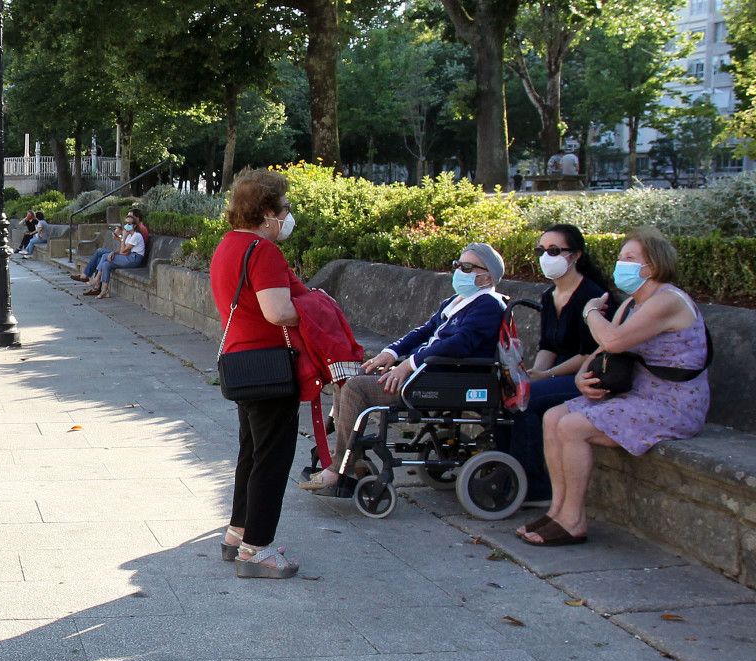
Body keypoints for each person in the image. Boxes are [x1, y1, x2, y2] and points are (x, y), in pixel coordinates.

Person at [522, 229, 710, 546]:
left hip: (672, 405)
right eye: (620, 257)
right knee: (553, 417)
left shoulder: (667, 300)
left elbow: (612, 339)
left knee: (572, 426)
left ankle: (573, 519)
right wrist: (582, 377)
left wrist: (590, 311)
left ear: (652, 266)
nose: (621, 263)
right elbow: (600, 354)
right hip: (638, 396)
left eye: (630, 258)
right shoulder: (633, 305)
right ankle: (556, 511)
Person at [301, 243, 507, 494]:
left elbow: (459, 344)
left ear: (487, 276)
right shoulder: (458, 301)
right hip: (428, 373)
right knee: (347, 375)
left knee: (356, 387)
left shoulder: (488, 305)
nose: (458, 271)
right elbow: (423, 331)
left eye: (466, 267)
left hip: (443, 379)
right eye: (457, 265)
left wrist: (408, 365)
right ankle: (349, 457)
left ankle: (339, 467)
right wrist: (391, 352)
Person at [211, 168, 303, 579]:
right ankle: (257, 548)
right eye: (283, 209)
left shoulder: (228, 245)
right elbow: (277, 311)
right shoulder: (263, 252)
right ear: (266, 212)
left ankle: (238, 532)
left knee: (251, 453)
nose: (287, 216)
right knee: (272, 458)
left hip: (240, 363)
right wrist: (316, 310)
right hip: (270, 366)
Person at [502, 225, 613, 507]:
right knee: (510, 393)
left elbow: (589, 353)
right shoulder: (549, 296)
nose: (545, 257)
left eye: (554, 251)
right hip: (559, 372)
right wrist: (532, 374)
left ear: (575, 255)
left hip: (587, 375)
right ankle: (506, 470)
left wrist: (545, 376)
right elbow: (548, 346)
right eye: (541, 250)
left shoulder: (593, 296)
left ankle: (535, 485)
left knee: (526, 401)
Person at [80, 220, 145, 299]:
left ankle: (96, 279)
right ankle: (104, 291)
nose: (126, 226)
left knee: (104, 256)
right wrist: (114, 252)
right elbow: (122, 249)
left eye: (129, 224)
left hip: (134, 259)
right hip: (129, 256)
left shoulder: (136, 236)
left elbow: (124, 251)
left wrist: (123, 237)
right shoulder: (130, 235)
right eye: (126, 224)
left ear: (134, 226)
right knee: (106, 264)